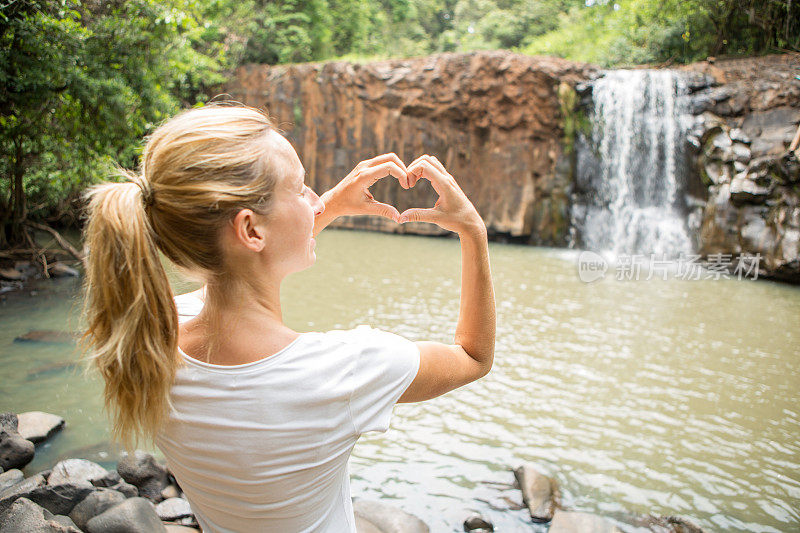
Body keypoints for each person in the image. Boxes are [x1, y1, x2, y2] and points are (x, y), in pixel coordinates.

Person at [80, 103, 495, 532]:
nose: (315, 199)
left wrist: (330, 205)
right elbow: (473, 356)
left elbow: (243, 274)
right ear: (251, 230)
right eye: (300, 189)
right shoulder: (344, 369)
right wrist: (472, 231)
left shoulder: (149, 335)